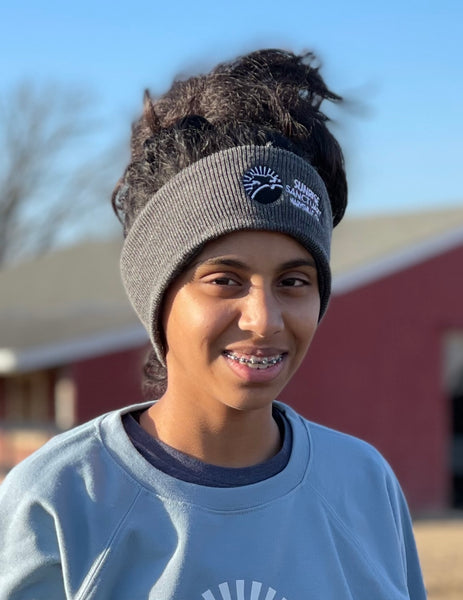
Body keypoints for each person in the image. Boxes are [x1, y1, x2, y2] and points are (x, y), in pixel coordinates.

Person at [0, 49, 426, 599]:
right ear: (157, 296)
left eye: (294, 282)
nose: (264, 319)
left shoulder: (365, 486)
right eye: (224, 279)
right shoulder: (60, 499)